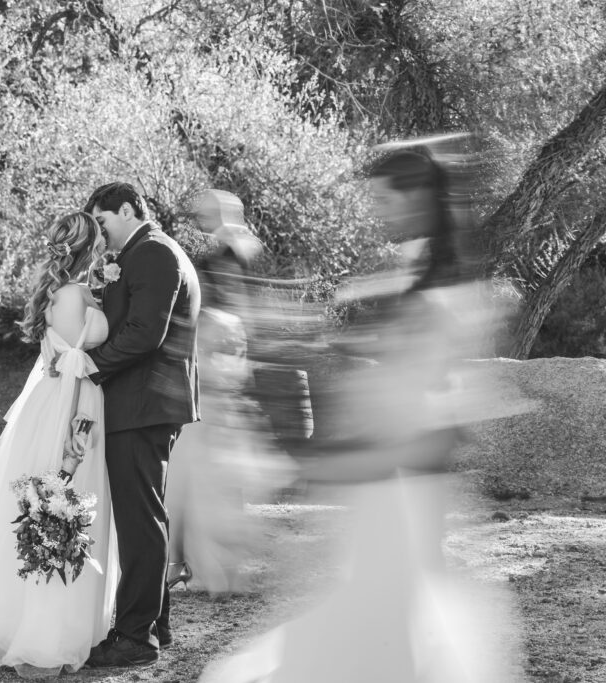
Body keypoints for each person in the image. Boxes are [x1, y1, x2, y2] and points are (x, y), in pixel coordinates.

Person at [199, 146, 517, 683]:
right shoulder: (424, 268)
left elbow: (420, 409)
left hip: (402, 482)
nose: (376, 211)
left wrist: (320, 466)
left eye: (382, 198)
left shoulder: (440, 291)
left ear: (415, 195)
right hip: (394, 486)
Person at [0, 212, 118, 677]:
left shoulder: (60, 291)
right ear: (89, 248)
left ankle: (7, 613)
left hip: (48, 402)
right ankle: (43, 632)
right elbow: (76, 362)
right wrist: (72, 440)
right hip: (71, 407)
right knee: (59, 501)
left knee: (35, 504)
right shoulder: (75, 294)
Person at [82, 182, 200, 668]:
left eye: (103, 222)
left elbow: (145, 333)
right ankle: (154, 625)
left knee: (140, 523)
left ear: (127, 210)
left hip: (143, 403)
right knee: (146, 517)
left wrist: (93, 366)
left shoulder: (153, 253)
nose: (101, 234)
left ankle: (134, 639)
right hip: (144, 403)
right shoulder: (150, 251)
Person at [165, 189, 295, 595]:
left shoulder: (223, 251)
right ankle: (201, 562)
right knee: (201, 470)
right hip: (224, 363)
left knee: (195, 471)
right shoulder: (242, 246)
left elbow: (220, 305)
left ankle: (194, 563)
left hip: (212, 359)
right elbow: (246, 310)